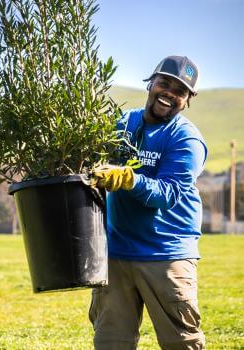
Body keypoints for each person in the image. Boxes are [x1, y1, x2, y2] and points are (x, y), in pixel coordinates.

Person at [90, 55, 207, 350]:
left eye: (179, 91)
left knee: (182, 343)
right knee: (110, 342)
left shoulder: (187, 140)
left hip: (167, 256)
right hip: (116, 255)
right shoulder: (122, 124)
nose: (169, 93)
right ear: (151, 83)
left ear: (187, 100)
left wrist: (129, 179)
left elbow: (167, 194)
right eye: (164, 83)